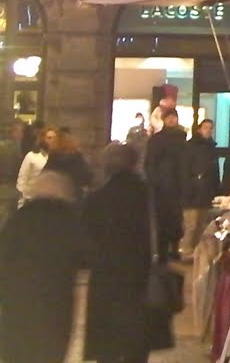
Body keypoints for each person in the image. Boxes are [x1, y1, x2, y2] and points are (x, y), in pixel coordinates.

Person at [83, 143, 165, 363]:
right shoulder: (151, 195)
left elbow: (85, 240)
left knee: (107, 344)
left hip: (105, 277)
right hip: (141, 275)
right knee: (136, 345)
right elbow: (173, 229)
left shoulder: (95, 198)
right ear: (135, 163)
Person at [0, 170, 90, 363]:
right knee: (50, 351)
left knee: (17, 350)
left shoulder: (20, 218)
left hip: (17, 300)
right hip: (55, 300)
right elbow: (84, 254)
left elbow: (4, 253)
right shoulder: (69, 220)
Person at [143, 109, 187, 259]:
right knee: (162, 218)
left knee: (175, 218)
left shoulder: (181, 138)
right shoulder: (157, 139)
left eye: (174, 117)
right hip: (161, 186)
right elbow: (150, 162)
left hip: (176, 184)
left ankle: (173, 248)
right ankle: (162, 250)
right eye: (169, 117)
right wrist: (153, 180)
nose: (171, 120)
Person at [180, 118, 224, 254]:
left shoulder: (210, 148)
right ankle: (186, 251)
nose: (209, 131)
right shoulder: (192, 147)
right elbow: (185, 169)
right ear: (200, 129)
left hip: (205, 192)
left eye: (211, 128)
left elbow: (214, 171)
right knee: (191, 225)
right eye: (206, 127)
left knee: (200, 226)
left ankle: (194, 252)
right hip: (193, 192)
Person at [42, 127, 93, 199]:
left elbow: (45, 177)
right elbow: (88, 177)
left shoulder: (53, 158)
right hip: (75, 197)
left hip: (56, 198)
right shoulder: (78, 158)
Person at [15, 123, 53, 203]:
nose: (52, 141)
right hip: (31, 199)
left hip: (49, 201)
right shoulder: (31, 156)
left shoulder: (57, 158)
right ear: (43, 139)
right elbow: (22, 178)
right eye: (49, 138)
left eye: (54, 138)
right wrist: (22, 199)